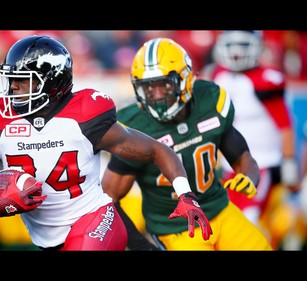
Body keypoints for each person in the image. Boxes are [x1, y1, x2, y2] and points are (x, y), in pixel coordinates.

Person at [0, 35, 212, 251]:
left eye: (24, 80)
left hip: (95, 217)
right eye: (13, 80)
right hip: (47, 239)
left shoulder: (84, 116)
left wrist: (185, 196)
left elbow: (157, 149)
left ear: (53, 81)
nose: (14, 88)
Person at [101, 37, 272, 250]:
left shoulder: (210, 100)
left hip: (221, 210)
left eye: (164, 85)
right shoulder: (136, 127)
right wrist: (138, 245)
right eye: (148, 88)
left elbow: (242, 157)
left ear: (186, 79)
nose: (156, 96)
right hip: (177, 229)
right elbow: (109, 198)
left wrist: (249, 177)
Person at [200, 30, 299, 249]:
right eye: (232, 46)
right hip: (229, 165)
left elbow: (285, 125)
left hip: (262, 163)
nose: (236, 53)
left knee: (251, 218)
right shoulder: (217, 75)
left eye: (243, 46)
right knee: (227, 220)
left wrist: (290, 160)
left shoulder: (266, 80)